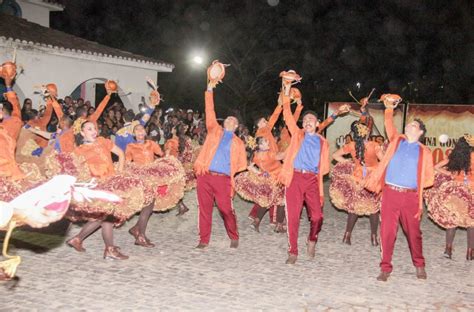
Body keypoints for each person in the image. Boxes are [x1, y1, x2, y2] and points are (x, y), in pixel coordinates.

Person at [364, 94, 434, 282]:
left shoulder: (425, 152)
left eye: (413, 125)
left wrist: (411, 183)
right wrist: (389, 108)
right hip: (390, 193)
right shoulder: (397, 141)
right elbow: (389, 125)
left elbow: (428, 179)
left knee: (414, 233)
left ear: (420, 132)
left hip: (410, 197)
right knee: (387, 232)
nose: (409, 126)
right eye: (408, 124)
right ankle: (385, 268)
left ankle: (419, 265)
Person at [66, 121, 150, 260]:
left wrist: (120, 174)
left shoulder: (103, 141)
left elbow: (120, 154)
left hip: (112, 182)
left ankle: (78, 239)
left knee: (105, 216)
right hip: (98, 187)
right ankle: (108, 248)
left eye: (95, 128)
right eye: (89, 129)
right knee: (107, 216)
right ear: (82, 133)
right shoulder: (79, 151)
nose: (94, 131)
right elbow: (74, 170)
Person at [193, 62, 247, 249]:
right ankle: (203, 240)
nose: (230, 121)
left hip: (223, 180)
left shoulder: (239, 143)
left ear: (237, 127)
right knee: (204, 209)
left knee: (225, 209)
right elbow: (210, 111)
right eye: (228, 119)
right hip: (205, 176)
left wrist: (233, 177)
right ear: (224, 123)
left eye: (234, 121)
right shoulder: (214, 130)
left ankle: (233, 235)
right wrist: (209, 88)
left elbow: (241, 165)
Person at [277, 87, 330, 264]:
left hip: (312, 180)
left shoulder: (323, 142)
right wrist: (286, 90)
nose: (307, 121)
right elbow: (287, 113)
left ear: (317, 124)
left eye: (311, 119)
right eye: (305, 119)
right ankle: (293, 251)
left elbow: (324, 168)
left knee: (317, 217)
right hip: (295, 178)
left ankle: (312, 239)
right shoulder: (297, 134)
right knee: (293, 216)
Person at [331, 117, 383, 246]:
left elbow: (335, 155)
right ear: (368, 133)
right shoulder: (374, 145)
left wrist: (349, 162)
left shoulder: (352, 145)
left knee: (354, 206)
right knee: (374, 208)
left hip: (357, 176)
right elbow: (384, 161)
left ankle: (347, 235)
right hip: (373, 178)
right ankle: (374, 237)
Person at [427, 134, 473, 260]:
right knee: (471, 223)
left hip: (455, 191)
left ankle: (448, 250)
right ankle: (470, 252)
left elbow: (436, 167)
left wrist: (451, 174)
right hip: (471, 191)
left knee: (452, 220)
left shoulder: (454, 157)